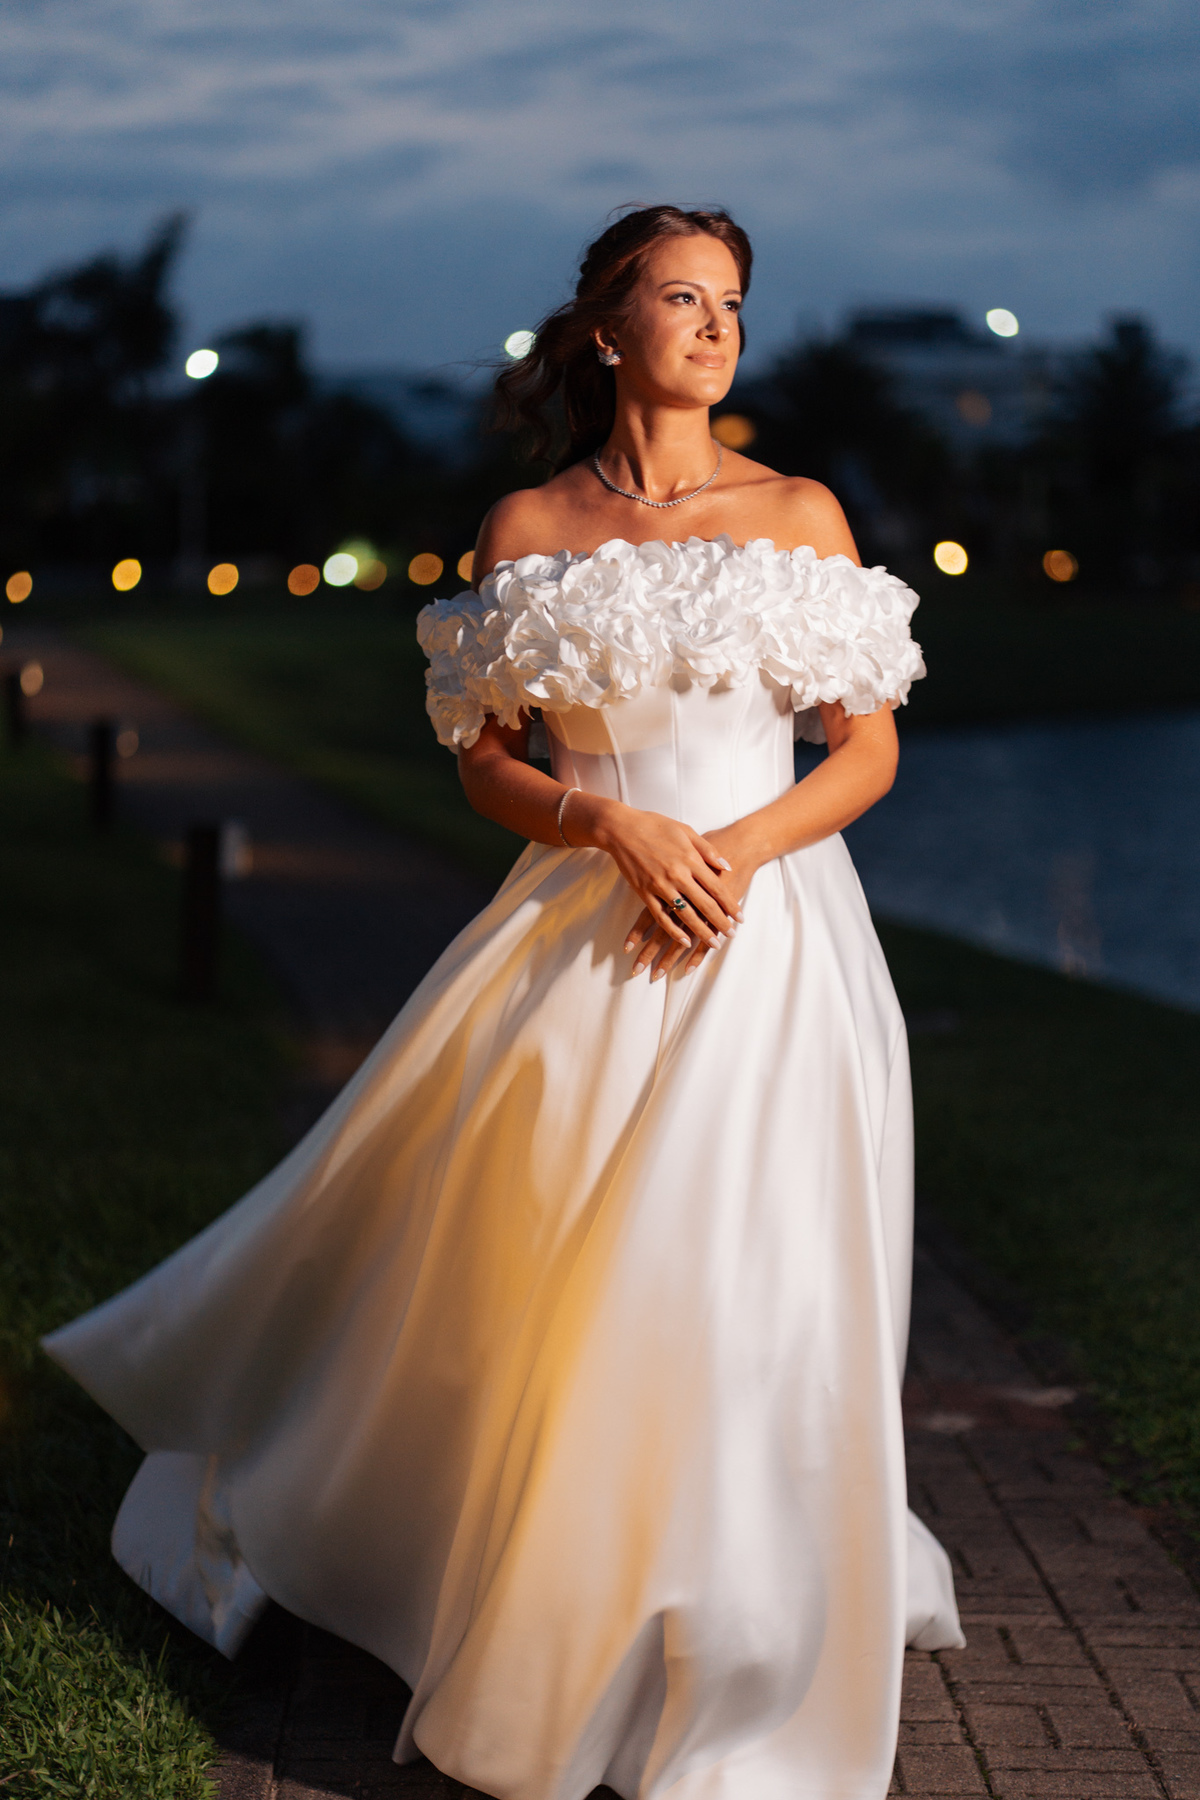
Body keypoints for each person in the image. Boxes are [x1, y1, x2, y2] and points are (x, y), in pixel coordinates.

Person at [45, 204, 964, 1800]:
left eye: (732, 301)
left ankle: (731, 1641)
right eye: (680, 297)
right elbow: (485, 760)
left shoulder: (802, 511)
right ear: (604, 328)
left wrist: (730, 854)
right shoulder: (530, 526)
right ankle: (540, 1588)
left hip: (774, 937)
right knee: (563, 1276)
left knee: (749, 1278)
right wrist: (613, 825)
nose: (714, 324)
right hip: (586, 931)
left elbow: (865, 750)